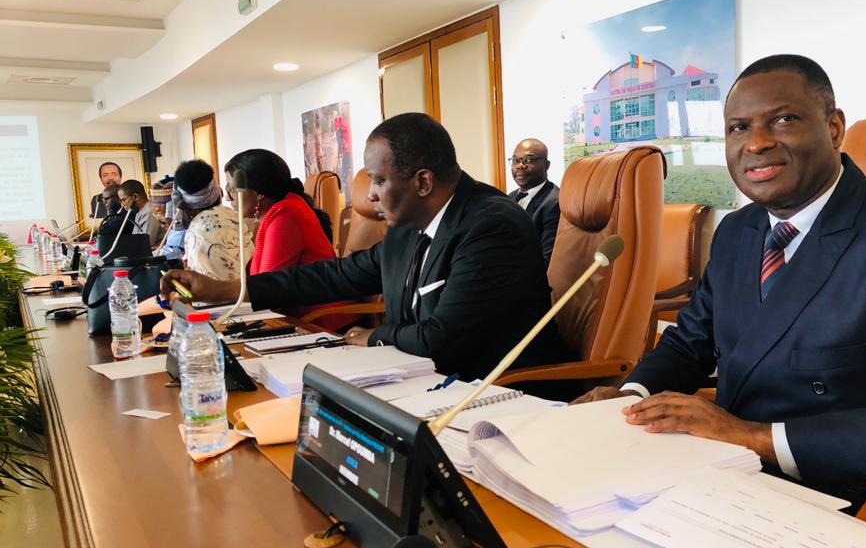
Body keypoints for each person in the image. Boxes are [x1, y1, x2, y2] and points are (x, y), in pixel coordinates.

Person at [576, 54, 866, 548]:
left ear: (834, 128)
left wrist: (751, 436)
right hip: (722, 484)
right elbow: (689, 343)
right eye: (738, 127)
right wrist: (632, 399)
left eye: (783, 119)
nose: (756, 143)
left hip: (851, 508)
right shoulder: (738, 231)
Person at [162, 113, 569, 382]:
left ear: (423, 182)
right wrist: (227, 289)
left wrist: (374, 337)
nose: (369, 195)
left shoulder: (491, 226)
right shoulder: (409, 225)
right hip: (424, 380)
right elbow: (336, 275)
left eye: (378, 180)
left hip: (498, 394)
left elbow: (442, 339)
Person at [222, 149, 335, 275]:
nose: (228, 198)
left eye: (232, 190)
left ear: (258, 192)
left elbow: (267, 283)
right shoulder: (282, 209)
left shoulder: (285, 217)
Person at [171, 160, 252, 280]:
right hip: (252, 288)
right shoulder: (234, 216)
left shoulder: (195, 232)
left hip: (220, 291)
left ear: (183, 204)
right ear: (218, 191)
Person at [508, 138, 560, 265]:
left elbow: (546, 259)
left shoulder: (555, 202)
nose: (520, 165)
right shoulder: (509, 198)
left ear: (546, 165)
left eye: (528, 160)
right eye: (515, 160)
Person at [118, 179, 162, 248]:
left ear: (135, 197)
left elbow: (145, 246)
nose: (122, 204)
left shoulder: (149, 212)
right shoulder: (139, 211)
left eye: (123, 200)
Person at [335, 109, 353, 207]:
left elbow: (342, 143)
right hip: (347, 153)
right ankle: (348, 200)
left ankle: (348, 201)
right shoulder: (344, 126)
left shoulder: (340, 127)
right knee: (344, 178)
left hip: (347, 154)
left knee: (343, 178)